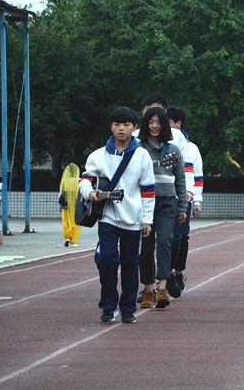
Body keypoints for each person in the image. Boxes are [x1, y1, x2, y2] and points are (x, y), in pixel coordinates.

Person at [80, 107, 155, 324]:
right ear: (111, 126)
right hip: (107, 218)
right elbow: (85, 179)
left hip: (133, 220)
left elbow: (148, 191)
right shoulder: (98, 156)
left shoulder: (142, 156)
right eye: (116, 124)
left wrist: (147, 220)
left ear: (134, 128)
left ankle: (128, 308)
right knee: (106, 259)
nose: (121, 129)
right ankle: (109, 305)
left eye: (126, 125)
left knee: (131, 264)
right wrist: (90, 192)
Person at [137, 107, 187, 309]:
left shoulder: (173, 150)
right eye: (150, 122)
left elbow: (181, 180)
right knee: (146, 247)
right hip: (144, 202)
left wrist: (182, 205)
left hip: (168, 202)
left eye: (158, 122)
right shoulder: (138, 148)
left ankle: (163, 288)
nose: (154, 126)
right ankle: (148, 289)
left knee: (166, 241)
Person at [167, 107, 203, 297]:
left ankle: (177, 271)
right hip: (164, 198)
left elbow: (197, 176)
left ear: (178, 125)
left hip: (184, 198)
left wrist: (196, 199)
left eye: (167, 122)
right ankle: (164, 276)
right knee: (166, 239)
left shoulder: (191, 148)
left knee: (181, 236)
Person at [59, 163, 81, 247]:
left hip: (66, 205)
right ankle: (74, 241)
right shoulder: (79, 181)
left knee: (67, 222)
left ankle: (67, 237)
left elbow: (62, 194)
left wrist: (60, 204)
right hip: (76, 206)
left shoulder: (65, 181)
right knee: (75, 223)